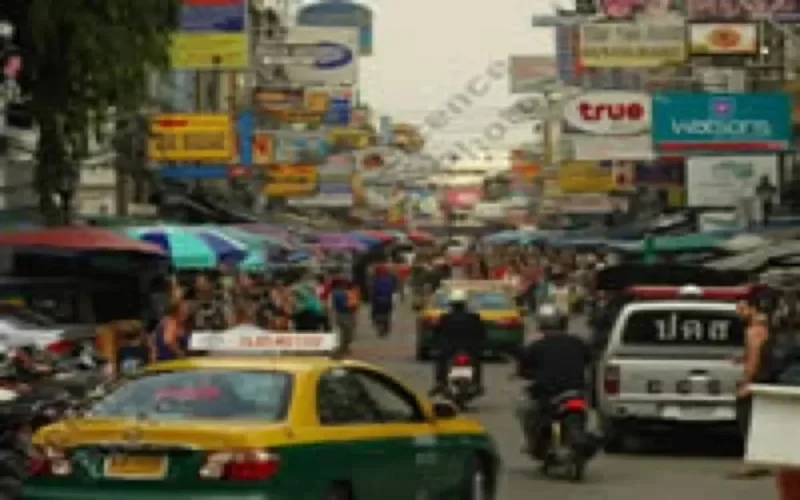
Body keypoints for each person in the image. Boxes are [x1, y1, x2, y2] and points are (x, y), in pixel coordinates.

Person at [515, 303, 592, 457]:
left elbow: (523, 369)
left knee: (524, 408)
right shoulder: (578, 342)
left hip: (549, 394)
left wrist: (525, 374)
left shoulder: (536, 346)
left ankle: (532, 442)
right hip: (576, 391)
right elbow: (588, 361)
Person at [730, 298, 772, 479]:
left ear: (752, 309)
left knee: (747, 421)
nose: (737, 311)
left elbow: (754, 359)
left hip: (756, 381)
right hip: (766, 380)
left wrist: (746, 383)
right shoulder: (766, 328)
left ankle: (753, 463)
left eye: (741, 307)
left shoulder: (753, 331)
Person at [429, 289, 486, 395]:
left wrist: (436, 342)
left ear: (452, 304)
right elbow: (482, 333)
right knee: (477, 361)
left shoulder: (445, 318)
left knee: (440, 360)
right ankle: (477, 383)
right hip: (469, 349)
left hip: (450, 350)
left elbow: (436, 332)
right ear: (464, 304)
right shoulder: (474, 317)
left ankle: (440, 383)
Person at [331, 277, 359, 354]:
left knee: (345, 332)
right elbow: (345, 305)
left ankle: (344, 347)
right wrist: (352, 306)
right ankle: (343, 348)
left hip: (343, 314)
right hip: (346, 314)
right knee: (346, 332)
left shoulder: (338, 292)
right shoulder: (339, 293)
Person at [370, 263, 397, 337]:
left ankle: (380, 328)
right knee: (386, 314)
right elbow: (392, 290)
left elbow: (373, 291)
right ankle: (385, 328)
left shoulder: (375, 280)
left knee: (377, 314)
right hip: (387, 300)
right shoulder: (389, 279)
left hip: (378, 300)